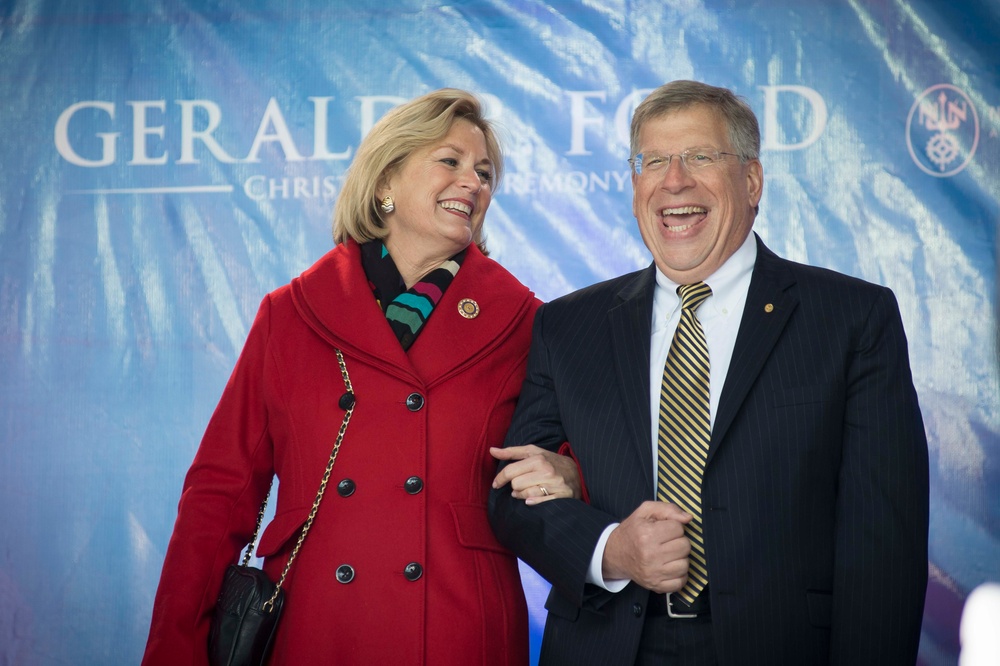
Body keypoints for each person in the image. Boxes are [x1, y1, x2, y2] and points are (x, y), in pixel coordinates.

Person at [489, 80, 929, 665]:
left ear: (751, 181)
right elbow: (512, 496)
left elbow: (884, 546)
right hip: (604, 644)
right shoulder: (568, 326)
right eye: (653, 161)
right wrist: (611, 550)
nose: (674, 180)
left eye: (699, 156)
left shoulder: (851, 318)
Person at [142, 88, 581, 665]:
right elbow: (219, 494)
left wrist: (573, 471)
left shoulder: (524, 321)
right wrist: (175, 649)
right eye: (450, 161)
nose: (474, 183)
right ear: (385, 183)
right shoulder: (291, 314)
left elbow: (584, 456)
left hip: (459, 627)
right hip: (317, 623)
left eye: (484, 173)